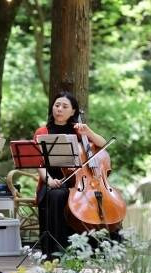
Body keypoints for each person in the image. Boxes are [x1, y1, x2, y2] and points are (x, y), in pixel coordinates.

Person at [34, 91, 107, 257]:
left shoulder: (78, 131)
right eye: (57, 105)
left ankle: (93, 248)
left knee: (94, 198)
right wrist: (49, 180)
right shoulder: (42, 131)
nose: (59, 109)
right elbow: (37, 162)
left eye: (64, 106)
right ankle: (56, 250)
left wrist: (89, 133)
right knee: (57, 195)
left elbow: (102, 145)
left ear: (73, 111)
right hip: (52, 181)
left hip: (78, 183)